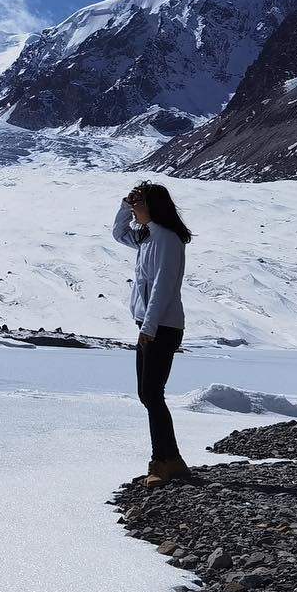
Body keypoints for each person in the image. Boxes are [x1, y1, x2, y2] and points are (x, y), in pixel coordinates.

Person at [112, 182, 193, 482]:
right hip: (151, 325)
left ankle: (166, 461)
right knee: (148, 394)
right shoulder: (148, 237)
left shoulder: (167, 240)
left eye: (139, 203)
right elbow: (119, 234)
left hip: (161, 326)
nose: (135, 209)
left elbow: (163, 286)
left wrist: (149, 326)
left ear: (154, 206)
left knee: (151, 393)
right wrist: (124, 204)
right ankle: (167, 459)